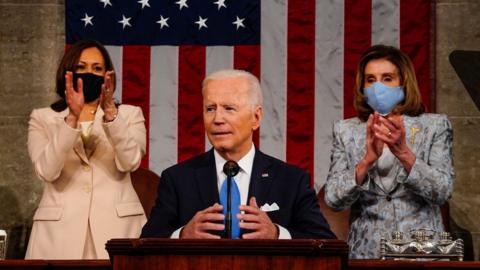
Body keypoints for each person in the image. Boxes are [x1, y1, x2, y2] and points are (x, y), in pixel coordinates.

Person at [141, 69, 335, 240]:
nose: (217, 119)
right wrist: (182, 235)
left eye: (229, 109)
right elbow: (146, 244)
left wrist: (276, 234)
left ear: (256, 117)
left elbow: (326, 244)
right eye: (210, 109)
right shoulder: (177, 179)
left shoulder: (291, 181)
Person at [324, 45, 454, 259]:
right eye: (371, 80)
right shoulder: (346, 130)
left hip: (422, 255)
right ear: (362, 86)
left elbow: (442, 192)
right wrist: (366, 161)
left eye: (387, 78)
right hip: (366, 255)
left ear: (403, 82)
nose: (378, 87)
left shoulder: (435, 127)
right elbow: (333, 199)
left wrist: (404, 153)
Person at [25, 40, 147, 259]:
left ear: (108, 75)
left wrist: (111, 114)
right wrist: (71, 118)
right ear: (67, 72)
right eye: (81, 67)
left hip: (117, 231)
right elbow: (47, 171)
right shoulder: (42, 118)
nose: (89, 73)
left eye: (97, 68)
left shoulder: (129, 115)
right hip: (58, 235)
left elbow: (130, 162)